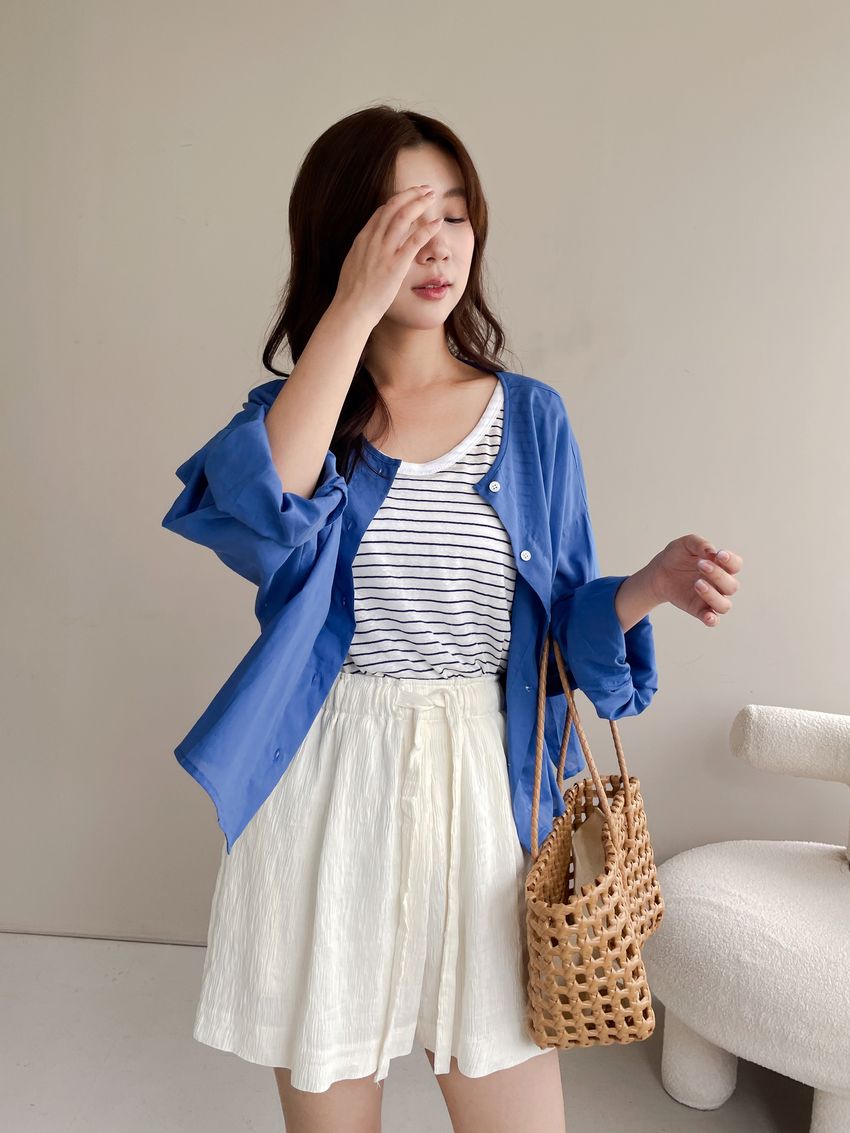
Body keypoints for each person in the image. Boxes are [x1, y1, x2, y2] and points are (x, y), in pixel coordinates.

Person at [162, 105, 743, 1133]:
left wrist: (647, 584)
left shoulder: (531, 417)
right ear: (345, 238)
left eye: (456, 215)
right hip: (329, 785)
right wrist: (351, 310)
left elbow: (559, 633)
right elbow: (260, 514)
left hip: (488, 786)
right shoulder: (295, 421)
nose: (436, 245)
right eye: (402, 220)